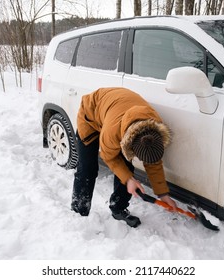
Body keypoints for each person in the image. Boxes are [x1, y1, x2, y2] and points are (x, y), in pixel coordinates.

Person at [71, 87, 177, 228]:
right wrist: (128, 179)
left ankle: (118, 207)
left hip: (116, 113)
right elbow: (109, 157)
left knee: (126, 166)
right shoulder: (112, 133)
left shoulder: (154, 128)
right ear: (130, 144)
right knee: (88, 167)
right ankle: (79, 210)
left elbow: (153, 161)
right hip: (90, 115)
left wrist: (163, 194)